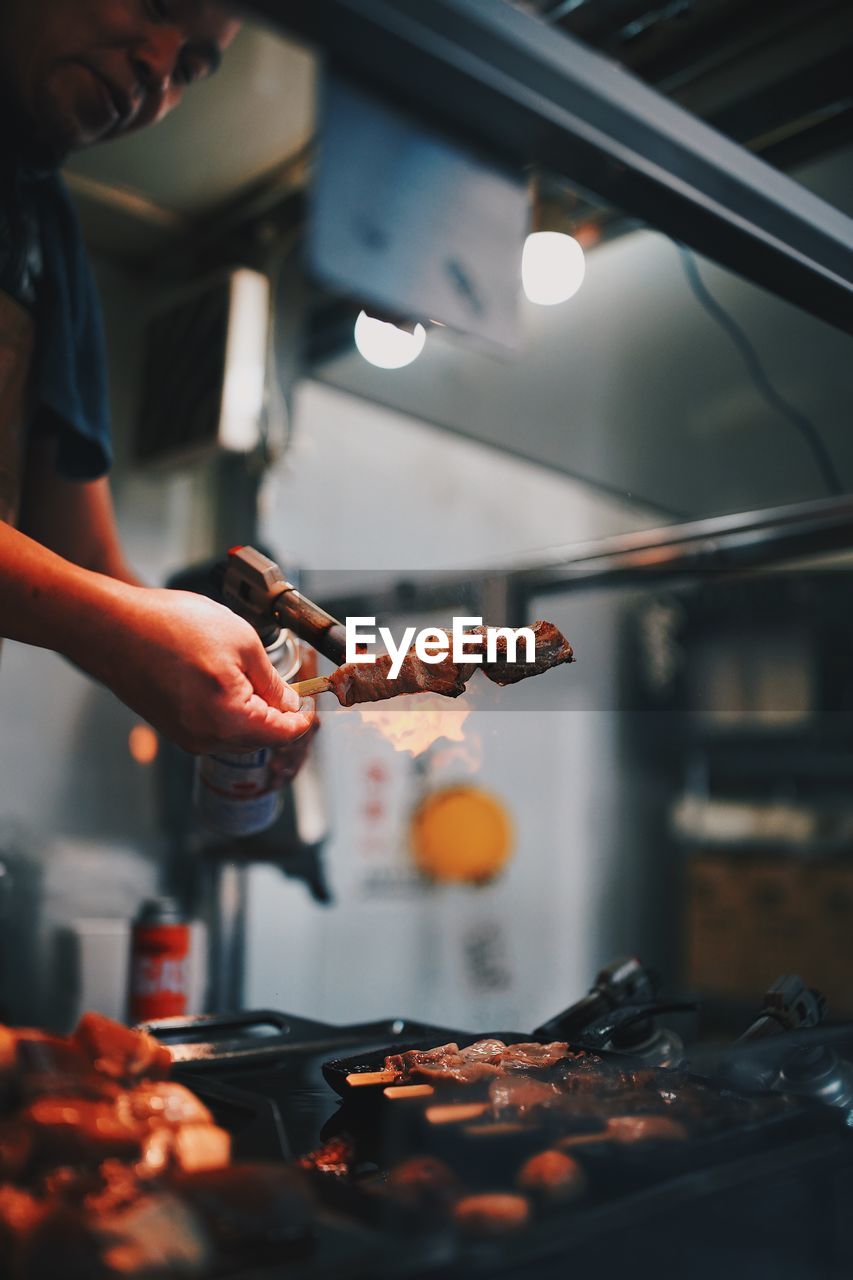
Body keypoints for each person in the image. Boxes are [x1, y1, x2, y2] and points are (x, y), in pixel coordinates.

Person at [0, 0, 316, 756]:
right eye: (156, 4)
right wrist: (113, 628)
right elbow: (96, 602)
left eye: (191, 68)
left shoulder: (46, 233)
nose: (158, 66)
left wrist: (241, 679)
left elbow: (84, 563)